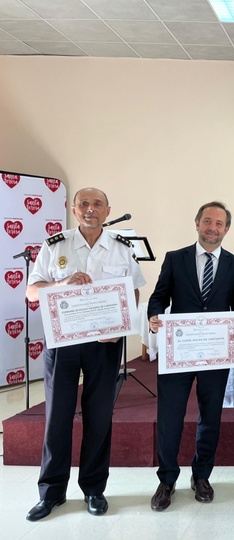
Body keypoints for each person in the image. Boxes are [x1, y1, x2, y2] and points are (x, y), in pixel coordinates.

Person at [25, 187, 146, 521]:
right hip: (62, 342)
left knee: (98, 416)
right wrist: (63, 285)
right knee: (57, 418)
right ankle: (51, 493)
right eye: (84, 204)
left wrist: (121, 328)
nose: (90, 209)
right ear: (74, 210)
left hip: (105, 345)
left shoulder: (122, 248)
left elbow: (132, 291)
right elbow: (32, 290)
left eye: (97, 204)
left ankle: (94, 488)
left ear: (108, 211)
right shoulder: (55, 245)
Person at [147, 201, 234, 511]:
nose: (212, 228)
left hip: (216, 354)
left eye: (219, 223)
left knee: (210, 417)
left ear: (227, 229)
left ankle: (201, 475)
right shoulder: (175, 258)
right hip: (178, 353)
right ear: (196, 223)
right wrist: (154, 316)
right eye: (207, 221)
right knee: (170, 419)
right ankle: (167, 480)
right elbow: (158, 296)